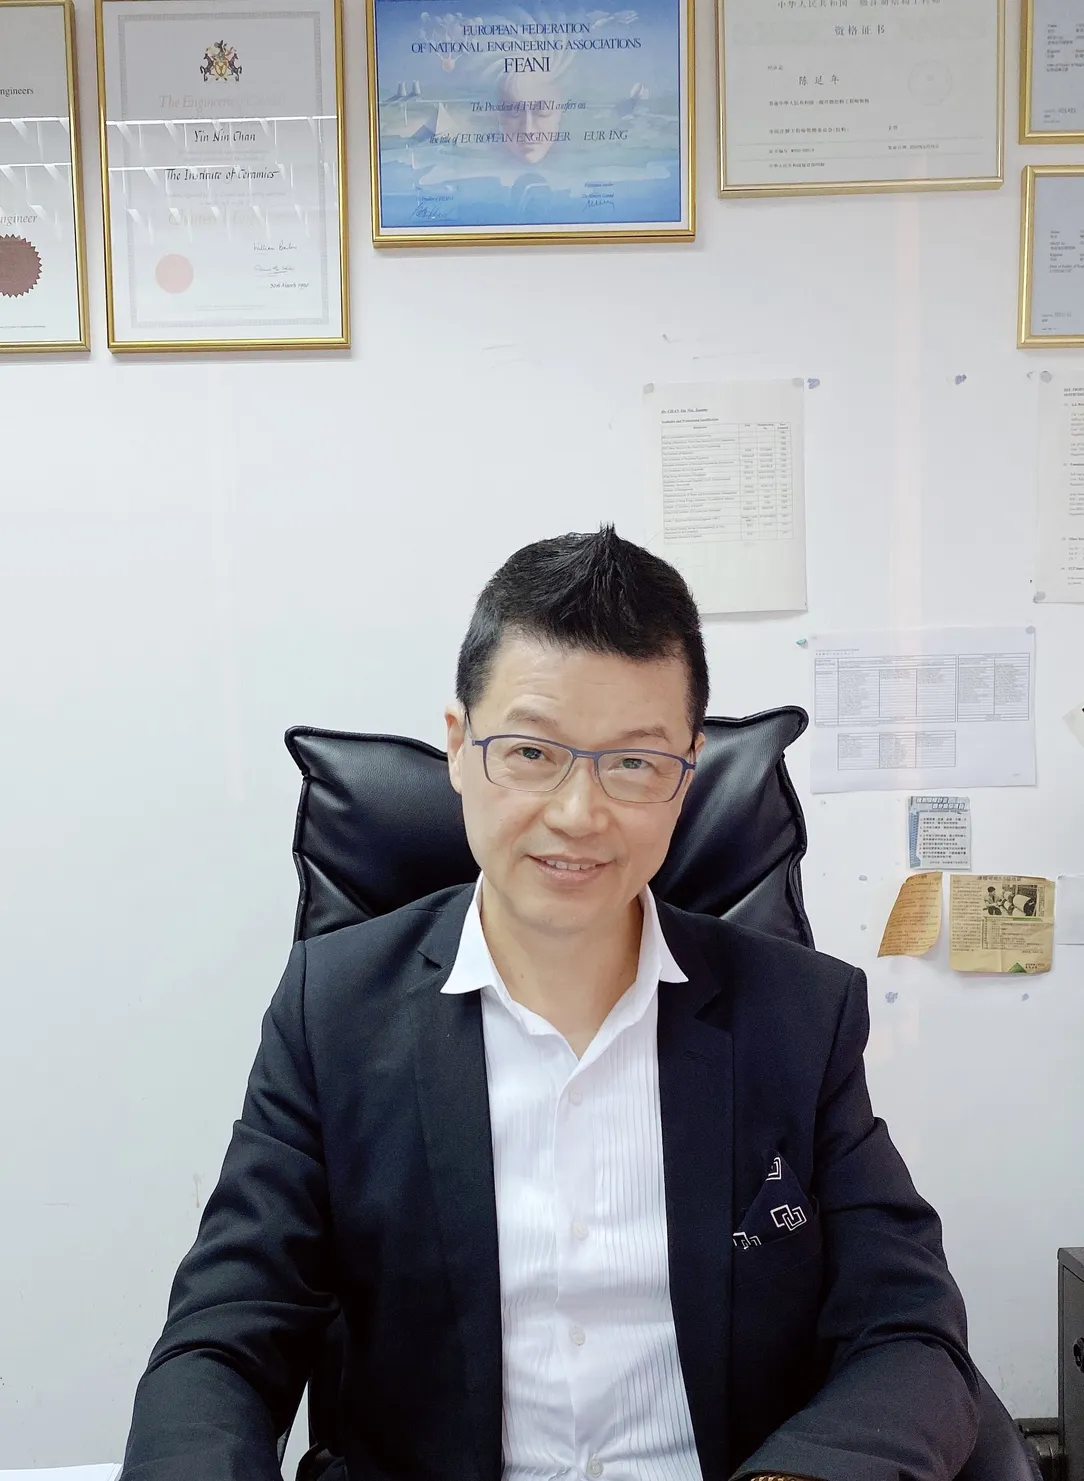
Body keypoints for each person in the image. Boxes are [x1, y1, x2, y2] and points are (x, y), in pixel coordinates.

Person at [120, 527, 979, 1481]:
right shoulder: (335, 1013)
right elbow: (223, 1340)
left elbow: (908, 1331)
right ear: (458, 747)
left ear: (688, 772)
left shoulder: (800, 1016)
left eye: (635, 762)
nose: (578, 813)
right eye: (531, 751)